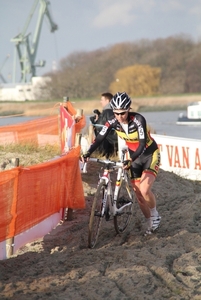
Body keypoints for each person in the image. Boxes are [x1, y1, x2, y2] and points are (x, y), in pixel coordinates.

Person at [83, 91, 161, 235]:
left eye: (123, 113)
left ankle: (155, 214)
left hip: (149, 154)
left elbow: (143, 143)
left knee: (144, 189)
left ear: (129, 109)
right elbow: (99, 138)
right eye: (117, 113)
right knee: (138, 194)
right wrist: (87, 153)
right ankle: (150, 223)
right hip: (133, 157)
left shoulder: (138, 120)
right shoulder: (112, 121)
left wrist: (131, 159)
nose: (120, 117)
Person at [89, 92, 118, 158]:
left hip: (108, 142)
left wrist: (94, 122)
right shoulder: (116, 110)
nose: (100, 102)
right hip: (115, 141)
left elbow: (101, 128)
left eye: (102, 100)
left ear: (107, 101)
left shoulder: (107, 112)